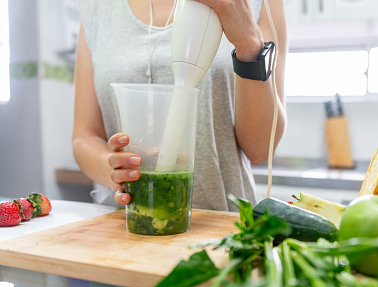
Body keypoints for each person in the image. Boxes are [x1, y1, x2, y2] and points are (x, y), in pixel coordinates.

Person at [73, 0, 287, 211]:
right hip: (125, 224)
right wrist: (113, 167)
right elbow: (84, 136)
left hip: (221, 225)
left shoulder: (257, 4)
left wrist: (250, 44)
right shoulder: (98, 7)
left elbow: (260, 150)